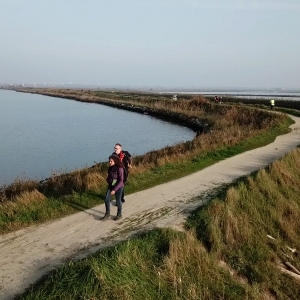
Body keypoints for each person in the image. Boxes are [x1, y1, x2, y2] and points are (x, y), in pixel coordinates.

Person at [101, 155, 124, 221]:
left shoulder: (120, 168)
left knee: (118, 200)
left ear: (115, 161)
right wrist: (108, 180)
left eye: (111, 161)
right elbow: (109, 177)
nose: (110, 162)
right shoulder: (110, 168)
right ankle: (107, 214)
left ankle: (119, 214)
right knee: (106, 199)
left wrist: (114, 189)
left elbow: (121, 180)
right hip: (111, 185)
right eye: (109, 161)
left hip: (119, 187)